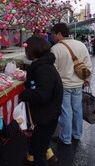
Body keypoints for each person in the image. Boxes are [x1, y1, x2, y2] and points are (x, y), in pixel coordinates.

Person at [19, 36, 63, 166]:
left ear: (33, 50)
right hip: (47, 115)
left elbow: (42, 95)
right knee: (39, 147)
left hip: (46, 116)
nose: (26, 52)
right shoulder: (43, 65)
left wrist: (25, 94)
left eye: (27, 49)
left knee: (39, 152)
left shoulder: (43, 69)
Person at [50, 23, 92, 146]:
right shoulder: (81, 45)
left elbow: (54, 70)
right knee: (77, 109)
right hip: (78, 84)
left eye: (53, 34)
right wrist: (87, 78)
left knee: (66, 112)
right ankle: (77, 134)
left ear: (59, 34)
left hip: (64, 86)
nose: (52, 36)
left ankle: (66, 138)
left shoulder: (56, 48)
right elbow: (87, 64)